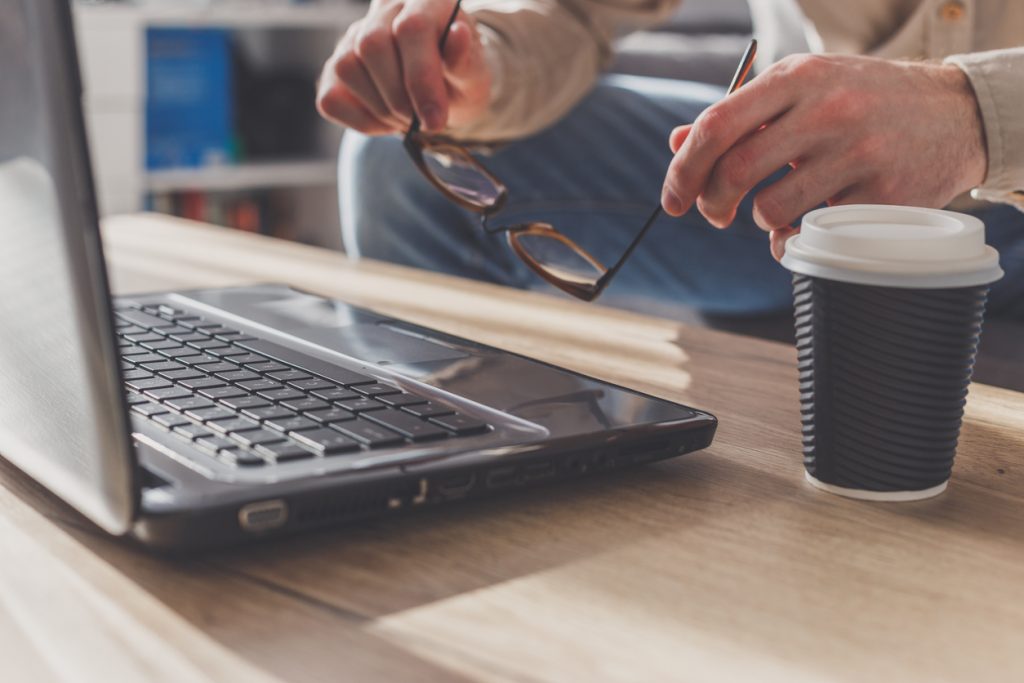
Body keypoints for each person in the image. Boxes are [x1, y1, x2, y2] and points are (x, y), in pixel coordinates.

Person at [316, 0, 1024, 318]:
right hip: (799, 202)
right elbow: (575, 11)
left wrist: (972, 114)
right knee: (402, 169)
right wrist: (480, 64)